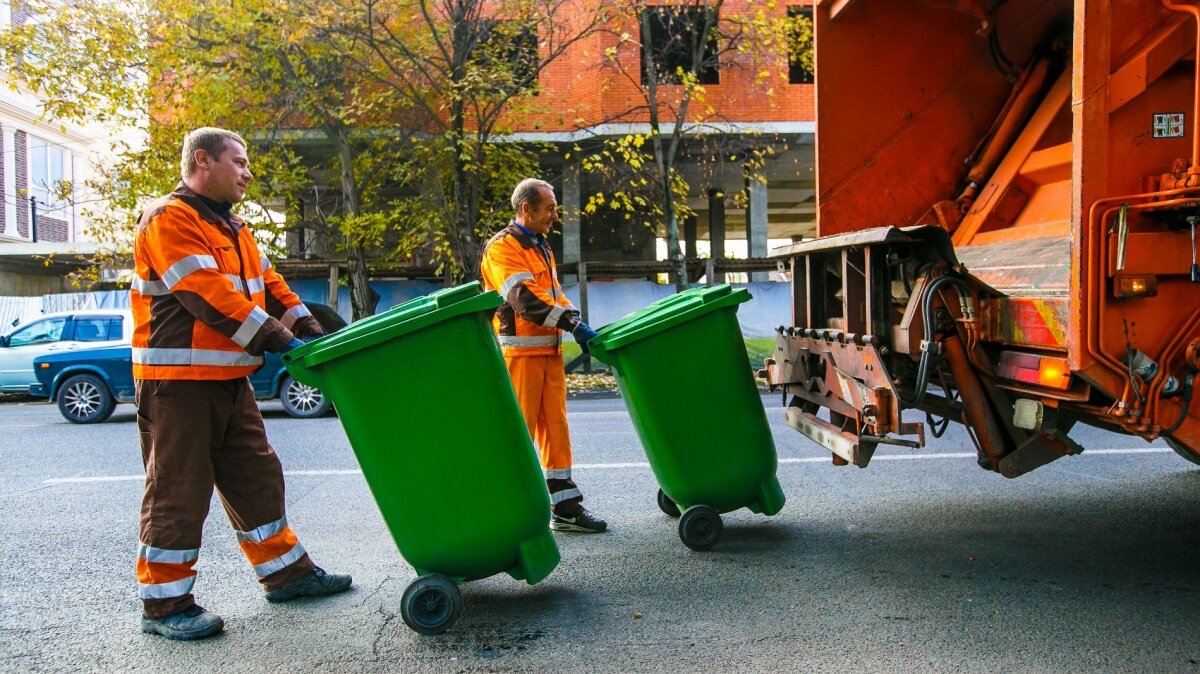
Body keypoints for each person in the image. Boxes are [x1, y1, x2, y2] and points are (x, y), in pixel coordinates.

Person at [130, 127, 351, 640]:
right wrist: (279, 339)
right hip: (178, 384)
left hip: (229, 379)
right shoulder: (169, 219)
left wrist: (309, 332)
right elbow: (207, 295)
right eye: (240, 162)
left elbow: (272, 289)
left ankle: (286, 574)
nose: (248, 173)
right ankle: (164, 606)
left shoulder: (234, 227)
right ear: (203, 161)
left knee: (257, 476)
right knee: (178, 491)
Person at [480, 178, 608, 534]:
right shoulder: (502, 248)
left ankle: (565, 507)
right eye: (549, 207)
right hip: (520, 356)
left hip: (548, 353)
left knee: (555, 430)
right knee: (518, 435)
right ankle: (502, 510)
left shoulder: (540, 246)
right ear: (527, 209)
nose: (555, 214)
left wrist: (578, 321)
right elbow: (523, 299)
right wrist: (571, 324)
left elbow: (554, 295)